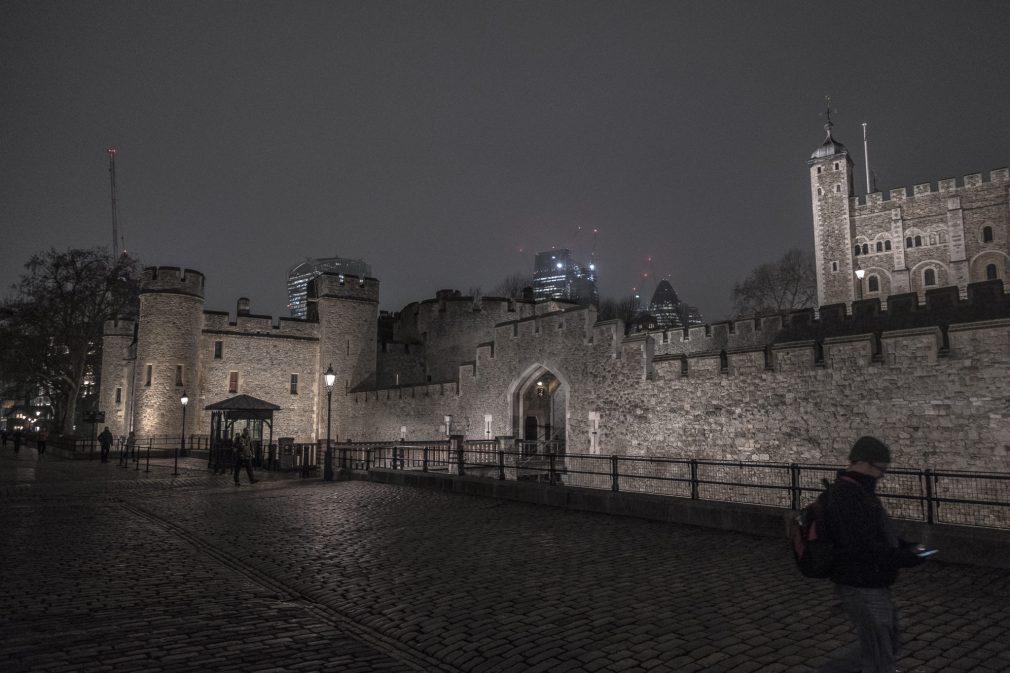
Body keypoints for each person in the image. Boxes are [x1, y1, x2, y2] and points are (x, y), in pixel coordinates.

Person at [819, 436, 930, 673]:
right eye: (881, 470)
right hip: (861, 585)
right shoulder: (847, 495)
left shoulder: (859, 491)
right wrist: (903, 557)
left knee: (887, 641)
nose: (881, 476)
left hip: (873, 582)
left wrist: (905, 547)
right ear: (865, 463)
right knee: (880, 652)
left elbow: (876, 534)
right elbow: (861, 546)